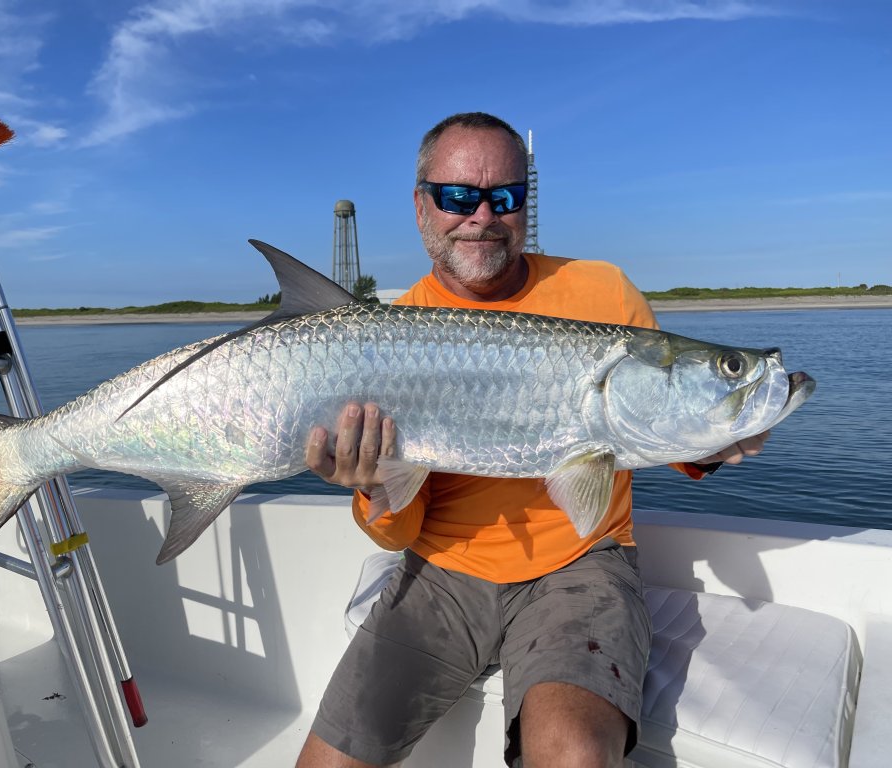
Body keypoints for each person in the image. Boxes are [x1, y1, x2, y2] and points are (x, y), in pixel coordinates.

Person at [296, 112, 769, 768]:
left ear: (526, 203)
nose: (482, 215)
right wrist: (375, 484)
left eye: (506, 197)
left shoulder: (605, 291)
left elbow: (657, 427)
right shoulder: (392, 329)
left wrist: (714, 441)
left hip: (582, 563)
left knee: (573, 754)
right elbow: (398, 531)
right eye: (459, 196)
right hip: (440, 568)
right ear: (421, 207)